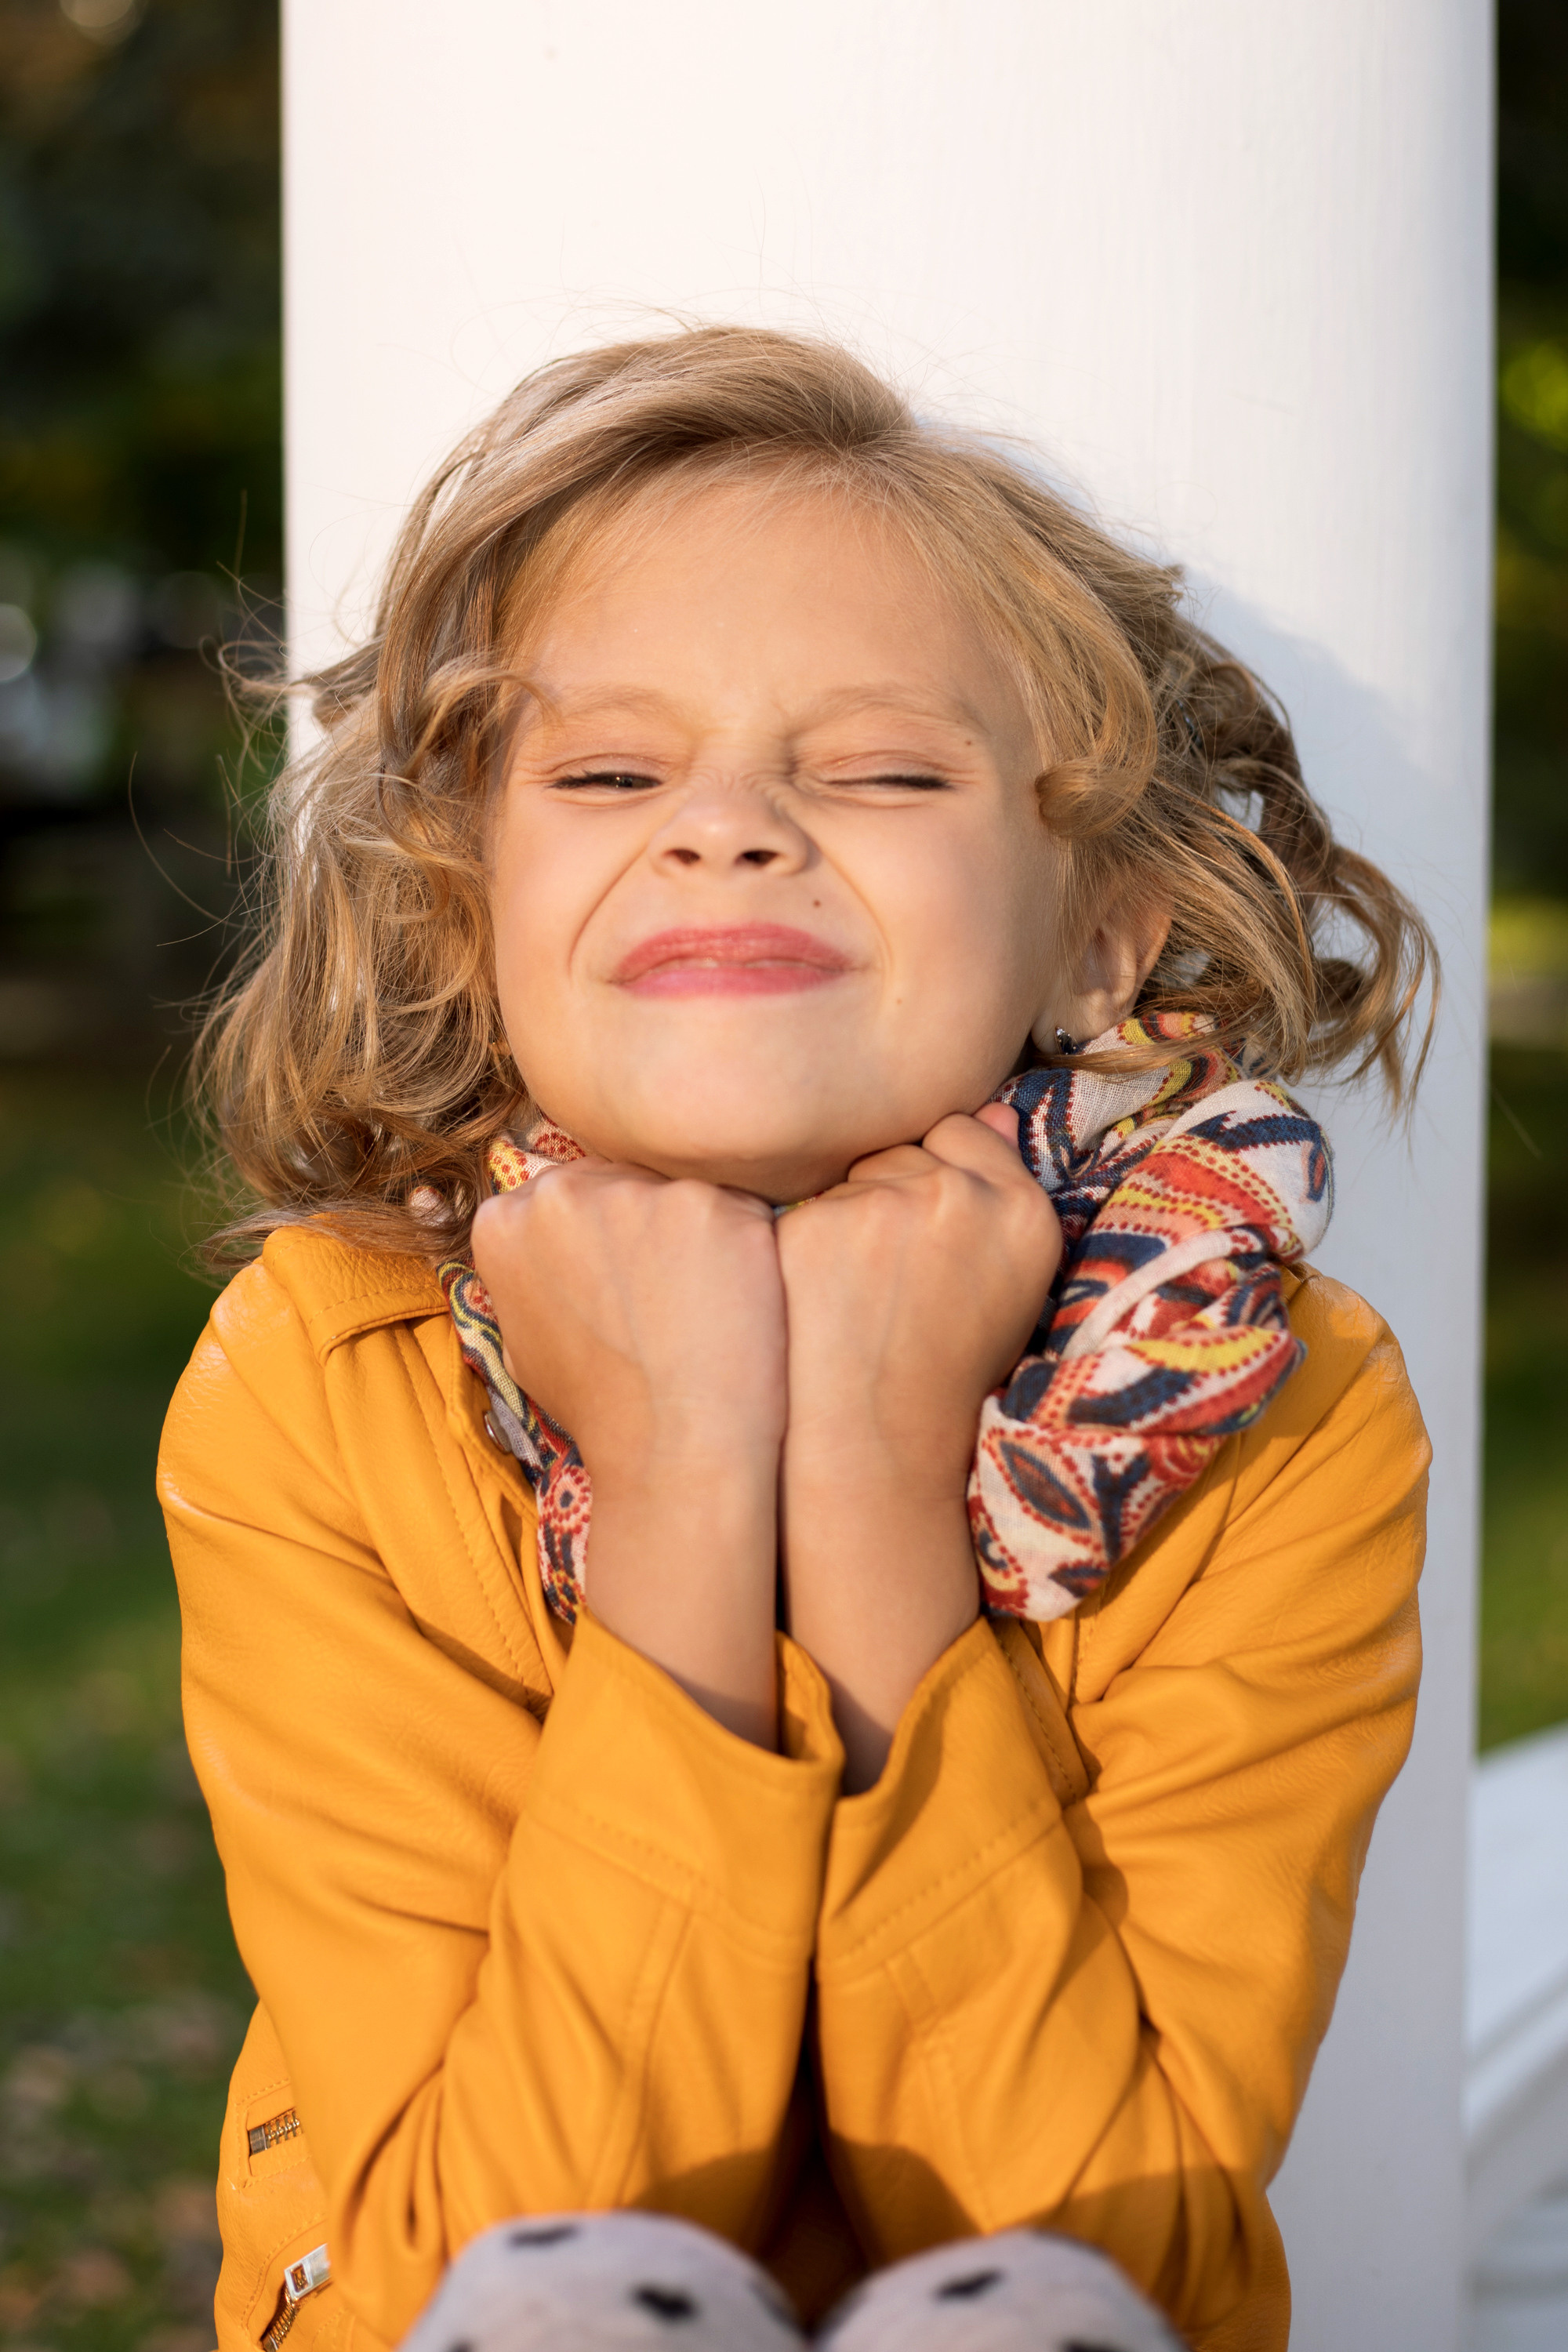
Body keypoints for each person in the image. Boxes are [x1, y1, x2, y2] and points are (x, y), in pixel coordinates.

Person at [158, 328, 1433, 2352]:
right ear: (466, 892)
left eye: (876, 769)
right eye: (606, 772)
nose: (729, 828)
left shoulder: (1281, 1411)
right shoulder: (321, 1379)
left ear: (1100, 924)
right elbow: (462, 2288)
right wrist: (678, 1479)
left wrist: (864, 1485)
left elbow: (1130, 2284)